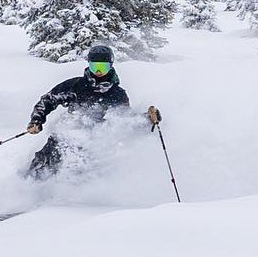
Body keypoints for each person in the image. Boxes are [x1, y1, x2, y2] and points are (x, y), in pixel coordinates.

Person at [24, 45, 161, 179]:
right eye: (95, 67)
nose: (99, 72)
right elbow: (48, 100)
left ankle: (72, 198)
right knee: (45, 160)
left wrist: (148, 118)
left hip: (95, 142)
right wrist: (37, 120)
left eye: (103, 67)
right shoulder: (76, 85)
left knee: (82, 173)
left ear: (111, 66)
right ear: (89, 65)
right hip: (68, 134)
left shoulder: (117, 94)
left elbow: (124, 120)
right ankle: (27, 186)